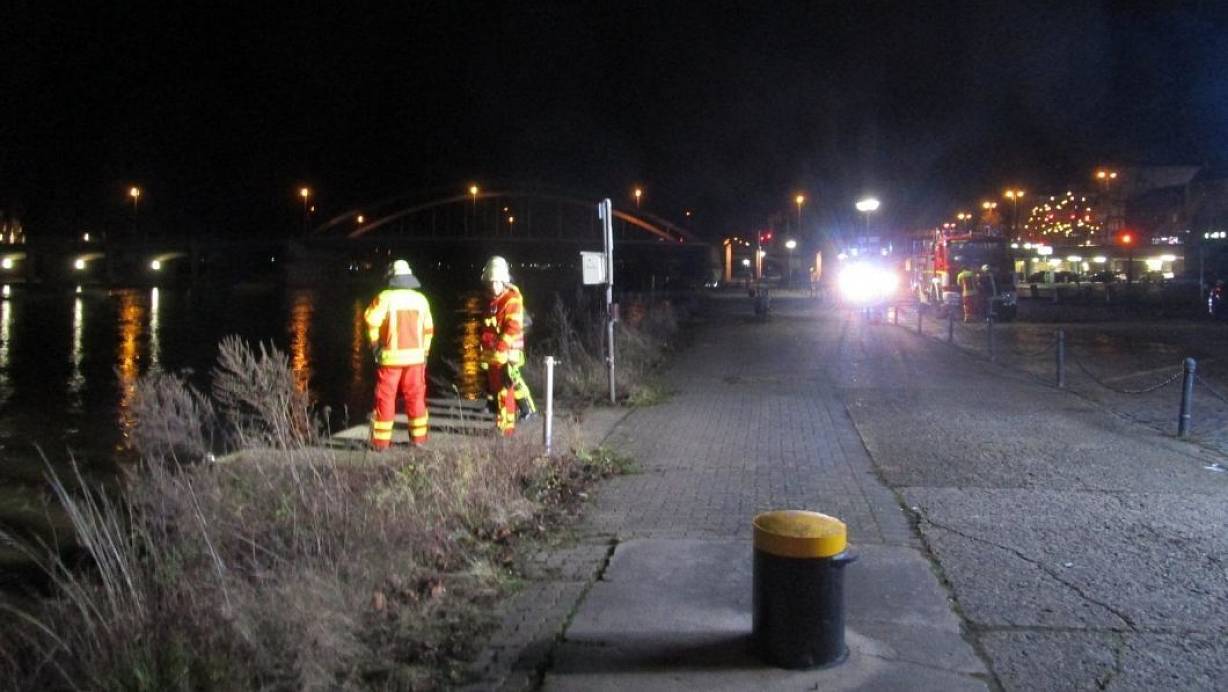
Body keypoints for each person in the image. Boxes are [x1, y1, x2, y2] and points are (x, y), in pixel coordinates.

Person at [364, 259, 433, 449]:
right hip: (416, 359)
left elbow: (371, 320)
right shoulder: (421, 300)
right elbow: (429, 330)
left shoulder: (385, 297)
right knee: (416, 398)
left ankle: (380, 442)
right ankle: (419, 440)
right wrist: (425, 353)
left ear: (391, 277)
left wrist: (375, 345)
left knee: (385, 398)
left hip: (390, 359)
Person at [478, 256, 536, 436]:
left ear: (503, 281)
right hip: (496, 353)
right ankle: (504, 421)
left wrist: (501, 346)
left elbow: (512, 327)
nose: (493, 286)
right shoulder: (493, 299)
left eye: (497, 282)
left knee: (509, 385)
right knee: (501, 389)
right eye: (491, 282)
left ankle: (517, 418)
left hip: (508, 352)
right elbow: (488, 326)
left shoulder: (511, 299)